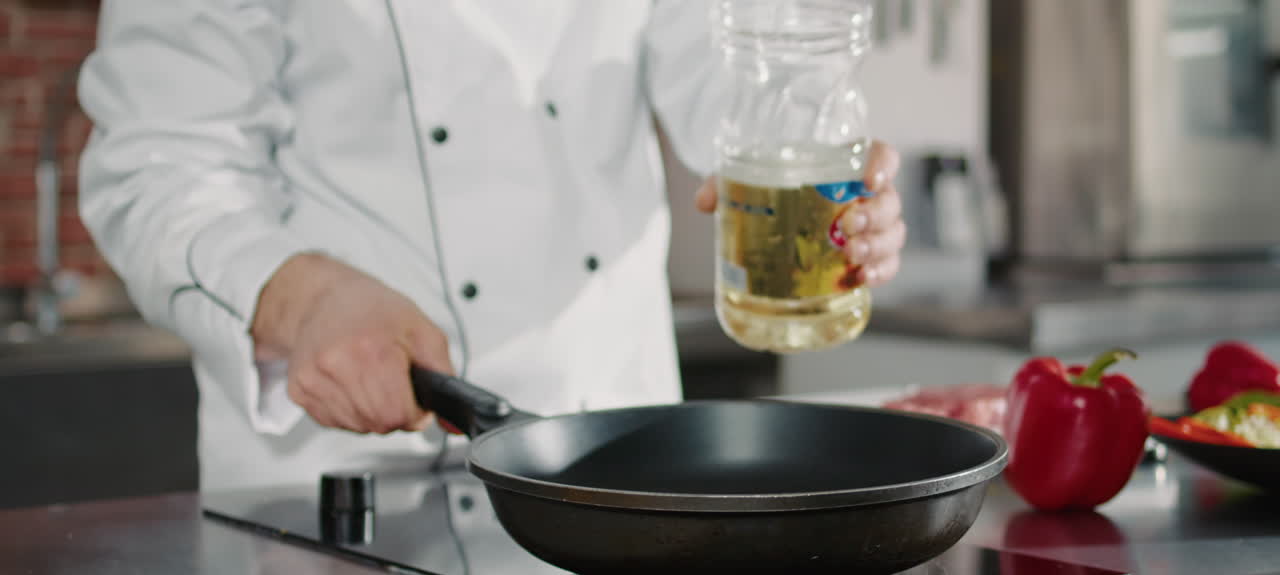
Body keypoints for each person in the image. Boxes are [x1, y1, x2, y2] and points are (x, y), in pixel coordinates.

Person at [77, 1, 907, 489]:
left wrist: (819, 160)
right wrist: (304, 297)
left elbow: (739, 68)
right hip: (343, 489)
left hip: (614, 468)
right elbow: (158, 165)